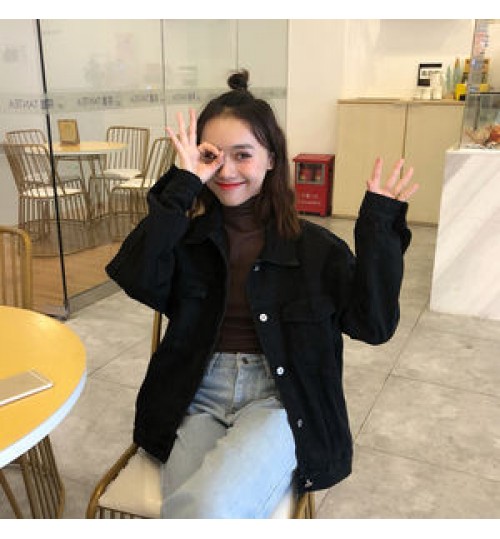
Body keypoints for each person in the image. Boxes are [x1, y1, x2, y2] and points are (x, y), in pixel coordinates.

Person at [105, 69, 419, 518]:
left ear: (272, 158)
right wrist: (183, 183)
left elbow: (374, 326)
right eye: (212, 156)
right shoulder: (187, 240)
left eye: (243, 155)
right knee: (192, 510)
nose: (227, 170)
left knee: (205, 509)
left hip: (280, 398)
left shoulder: (316, 250)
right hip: (196, 393)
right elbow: (135, 274)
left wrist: (378, 231)